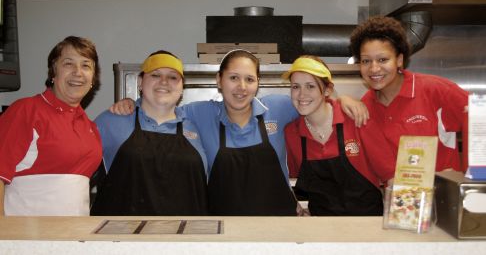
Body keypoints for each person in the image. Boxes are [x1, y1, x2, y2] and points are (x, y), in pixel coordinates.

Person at [111, 49, 368, 216]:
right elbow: (159, 105)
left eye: (249, 79)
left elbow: (312, 98)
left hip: (280, 227)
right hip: (224, 232)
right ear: (219, 81)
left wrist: (343, 99)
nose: (242, 87)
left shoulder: (277, 107)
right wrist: (131, 104)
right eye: (234, 78)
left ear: (257, 83)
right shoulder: (200, 114)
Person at [90, 50, 208, 216]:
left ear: (182, 87)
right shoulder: (111, 121)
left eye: (173, 77)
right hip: (121, 238)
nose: (164, 82)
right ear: (140, 81)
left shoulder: (195, 128)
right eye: (155, 75)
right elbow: (77, 178)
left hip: (182, 237)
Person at [349, 16, 469, 172]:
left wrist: (471, 177)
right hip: (394, 195)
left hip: (442, 195)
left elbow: (479, 120)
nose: (374, 68)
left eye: (383, 59)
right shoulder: (365, 109)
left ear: (399, 60)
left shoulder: (435, 90)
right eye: (366, 61)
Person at [0, 36, 102, 216]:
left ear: (93, 78)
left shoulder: (90, 128)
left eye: (86, 65)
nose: (78, 72)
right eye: (68, 64)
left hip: (73, 235)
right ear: (53, 73)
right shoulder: (26, 110)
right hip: (26, 236)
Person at [283, 56, 395, 216]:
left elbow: (391, 176)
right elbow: (287, 179)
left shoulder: (357, 119)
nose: (302, 94)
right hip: (321, 230)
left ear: (327, 90)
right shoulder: (292, 133)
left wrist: (399, 219)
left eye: (310, 86)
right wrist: (298, 208)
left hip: (368, 227)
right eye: (295, 87)